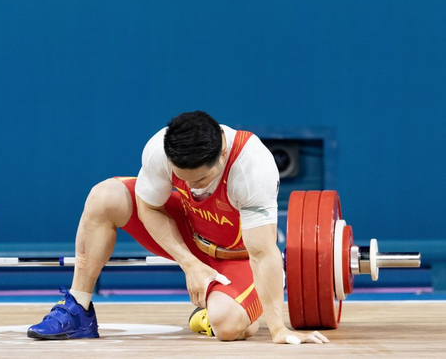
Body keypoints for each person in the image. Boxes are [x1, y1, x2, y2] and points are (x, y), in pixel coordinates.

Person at [27, 111, 329, 344]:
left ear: (222, 153)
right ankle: (79, 308)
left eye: (201, 180)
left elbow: (262, 253)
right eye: (182, 179)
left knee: (227, 325)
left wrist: (278, 329)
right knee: (105, 196)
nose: (192, 188)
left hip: (239, 255)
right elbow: (148, 207)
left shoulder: (253, 168)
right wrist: (189, 263)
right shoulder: (160, 149)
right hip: (188, 233)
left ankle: (223, 314)